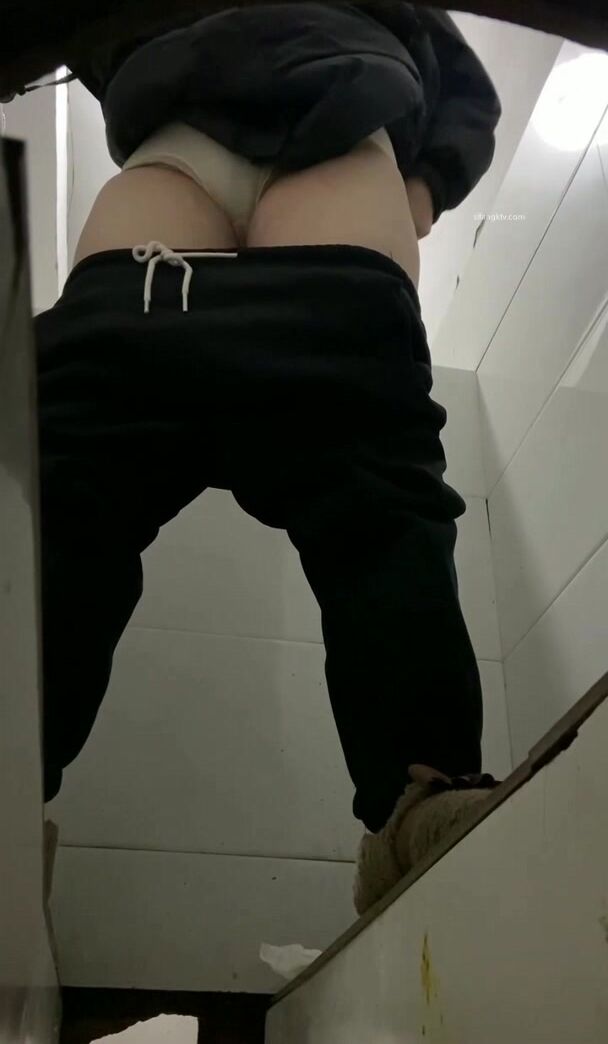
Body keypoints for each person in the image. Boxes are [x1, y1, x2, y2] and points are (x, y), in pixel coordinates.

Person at [35, 1, 502, 914]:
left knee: (369, 477)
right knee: (68, 468)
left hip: (332, 132)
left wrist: (428, 180)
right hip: (191, 145)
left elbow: (465, 87)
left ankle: (421, 794)